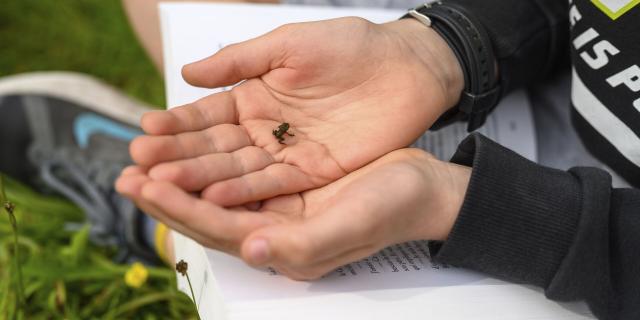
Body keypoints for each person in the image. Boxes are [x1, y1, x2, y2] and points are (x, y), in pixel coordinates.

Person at [115, 0, 640, 319]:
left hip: (595, 235)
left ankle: (164, 228)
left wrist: (460, 202)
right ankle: (174, 210)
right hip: (560, 86)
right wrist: (441, 48)